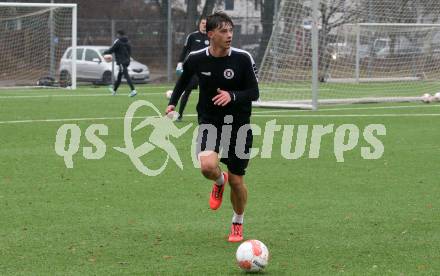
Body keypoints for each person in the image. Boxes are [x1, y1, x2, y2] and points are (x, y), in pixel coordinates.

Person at [166, 12, 259, 242]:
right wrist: (171, 103)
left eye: (231, 30)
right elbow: (184, 80)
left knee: (238, 181)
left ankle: (237, 221)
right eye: (224, 31)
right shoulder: (197, 58)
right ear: (210, 35)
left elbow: (254, 93)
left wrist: (233, 96)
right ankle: (219, 181)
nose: (229, 35)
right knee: (207, 167)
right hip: (210, 121)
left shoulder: (243, 58)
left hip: (238, 126)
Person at [175, 16, 209, 121]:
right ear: (199, 24)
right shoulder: (192, 36)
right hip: (193, 69)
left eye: (206, 24)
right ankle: (180, 114)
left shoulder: (211, 36)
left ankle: (203, 116)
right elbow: (185, 50)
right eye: (203, 23)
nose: (204, 25)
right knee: (187, 91)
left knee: (205, 94)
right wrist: (180, 63)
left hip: (207, 70)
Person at [104, 30, 137, 97]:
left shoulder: (118, 42)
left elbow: (112, 50)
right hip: (127, 61)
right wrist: (127, 59)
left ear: (119, 34)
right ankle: (114, 91)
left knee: (126, 75)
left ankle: (133, 90)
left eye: (117, 34)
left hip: (121, 62)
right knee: (119, 77)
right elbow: (130, 52)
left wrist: (105, 52)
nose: (117, 36)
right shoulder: (128, 42)